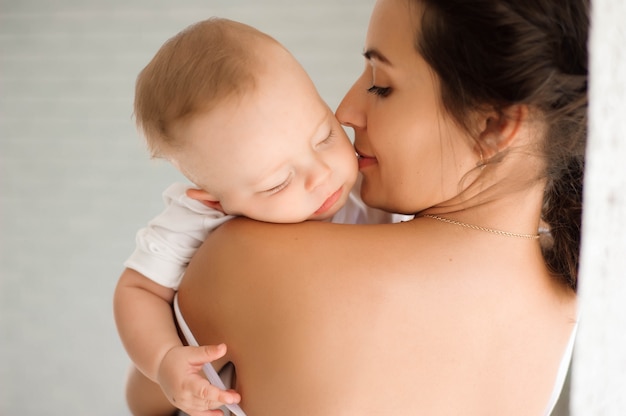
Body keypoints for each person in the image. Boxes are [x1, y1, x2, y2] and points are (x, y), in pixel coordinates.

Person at [176, 0, 587, 414]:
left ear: (494, 126)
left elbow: (148, 398)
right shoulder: (570, 297)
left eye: (381, 85)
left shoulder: (249, 258)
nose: (346, 112)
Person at [113, 17, 409, 416]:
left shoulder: (374, 186)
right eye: (277, 183)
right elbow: (138, 291)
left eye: (324, 136)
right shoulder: (198, 219)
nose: (321, 175)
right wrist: (165, 360)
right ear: (216, 200)